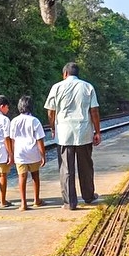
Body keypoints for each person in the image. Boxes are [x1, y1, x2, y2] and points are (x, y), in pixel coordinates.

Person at [44, 62, 101, 210]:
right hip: (84, 132)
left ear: (65, 74)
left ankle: (70, 203)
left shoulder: (56, 87)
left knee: (66, 168)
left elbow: (50, 112)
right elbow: (94, 111)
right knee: (86, 167)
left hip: (63, 133)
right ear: (77, 73)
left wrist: (53, 128)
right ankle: (88, 196)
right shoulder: (88, 87)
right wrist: (97, 131)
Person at [10, 96, 46, 211]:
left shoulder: (14, 121)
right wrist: (43, 155)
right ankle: (36, 200)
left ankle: (23, 203)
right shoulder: (35, 121)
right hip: (33, 152)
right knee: (35, 176)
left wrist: (12, 153)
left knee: (22, 177)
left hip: (19, 152)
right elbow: (40, 139)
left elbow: (12, 139)